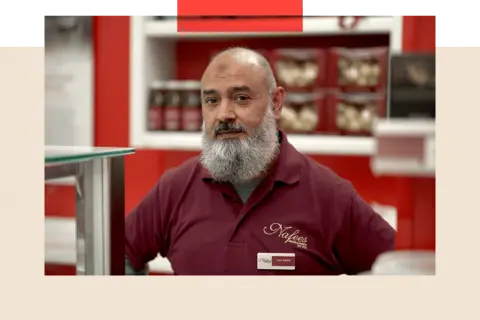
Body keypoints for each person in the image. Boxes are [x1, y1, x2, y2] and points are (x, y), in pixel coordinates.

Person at [125, 47, 396, 276]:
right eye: (211, 100)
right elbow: (120, 253)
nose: (224, 114)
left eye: (241, 98)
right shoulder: (174, 189)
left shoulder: (331, 196)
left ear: (276, 103)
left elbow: (397, 270)